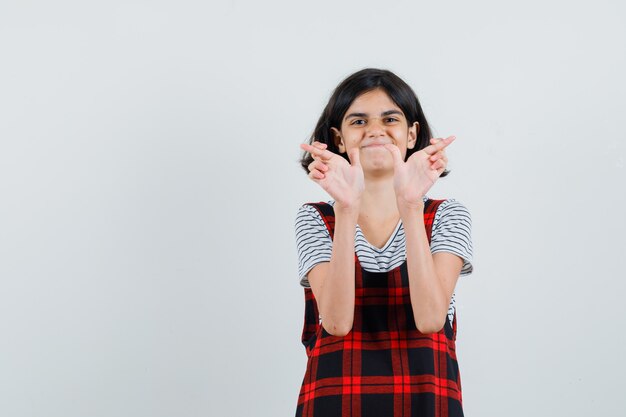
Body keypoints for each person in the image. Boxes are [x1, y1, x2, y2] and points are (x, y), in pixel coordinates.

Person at [294, 68, 473, 417]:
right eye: (358, 121)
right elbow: (337, 322)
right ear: (339, 139)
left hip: (427, 405)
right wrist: (347, 207)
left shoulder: (448, 215)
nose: (375, 130)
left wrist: (409, 205)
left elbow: (431, 318)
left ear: (412, 134)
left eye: (390, 118)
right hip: (334, 405)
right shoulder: (316, 218)